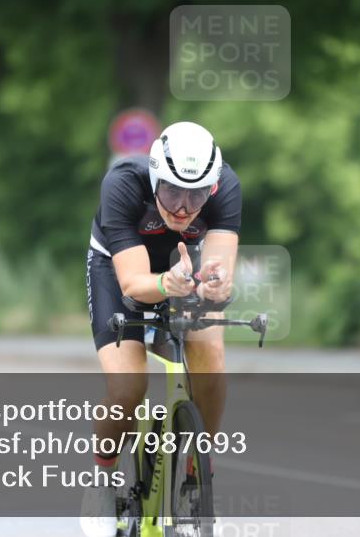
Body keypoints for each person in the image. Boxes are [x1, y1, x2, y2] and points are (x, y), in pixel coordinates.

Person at [81, 121, 240, 537]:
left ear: (213, 188)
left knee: (212, 355)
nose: (184, 207)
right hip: (120, 270)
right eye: (172, 191)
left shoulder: (227, 186)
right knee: (128, 387)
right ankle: (103, 474)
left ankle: (198, 470)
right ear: (154, 176)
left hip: (185, 264)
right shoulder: (122, 184)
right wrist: (163, 283)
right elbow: (134, 283)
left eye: (198, 195)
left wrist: (218, 282)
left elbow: (220, 270)